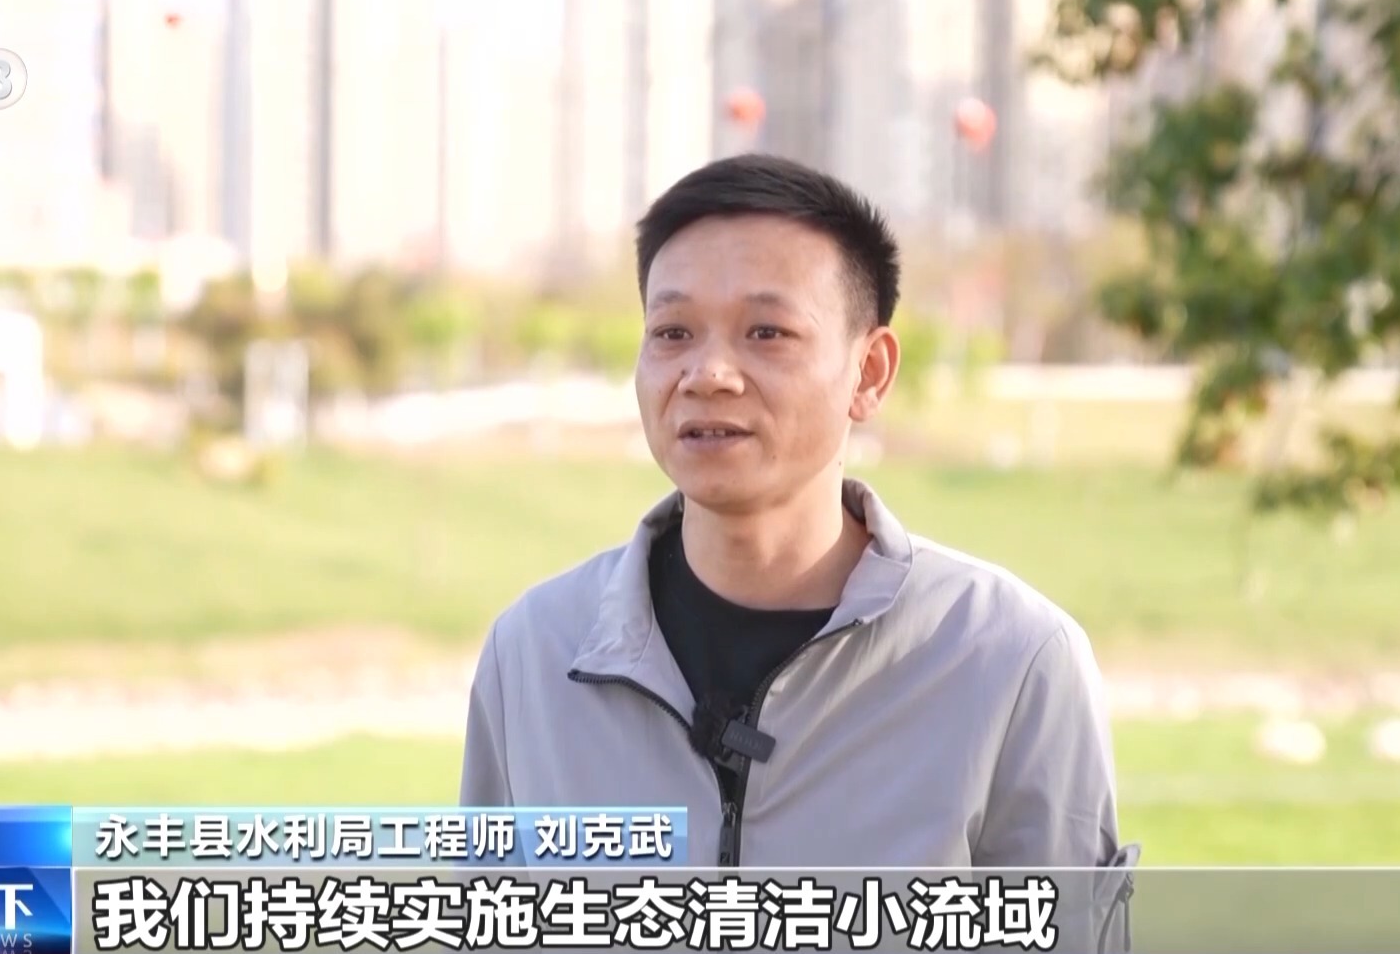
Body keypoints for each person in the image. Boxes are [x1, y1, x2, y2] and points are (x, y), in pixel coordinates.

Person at [460, 153, 1129, 873]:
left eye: (766, 332)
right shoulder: (532, 655)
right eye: (673, 332)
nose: (708, 375)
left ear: (869, 372)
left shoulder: (1012, 660)